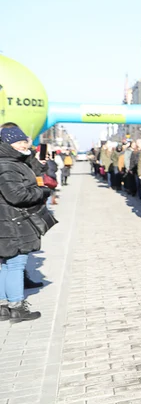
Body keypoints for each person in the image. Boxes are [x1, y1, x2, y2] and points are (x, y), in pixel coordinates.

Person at [0, 126, 55, 322]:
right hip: (13, 222)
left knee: (6, 265)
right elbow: (16, 195)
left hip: (9, 221)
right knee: (15, 263)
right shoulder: (6, 164)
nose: (24, 144)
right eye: (20, 142)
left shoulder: (12, 161)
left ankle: (4, 306)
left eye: (25, 141)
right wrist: (42, 192)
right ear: (8, 144)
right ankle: (17, 307)